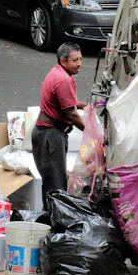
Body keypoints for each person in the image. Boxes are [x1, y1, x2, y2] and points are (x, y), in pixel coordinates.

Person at [31, 42, 87, 209]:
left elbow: (66, 103)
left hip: (48, 133)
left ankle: (49, 221)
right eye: (75, 60)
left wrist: (83, 105)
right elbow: (71, 114)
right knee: (56, 187)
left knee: (53, 184)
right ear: (63, 61)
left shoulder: (58, 73)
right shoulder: (63, 80)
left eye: (80, 59)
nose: (79, 64)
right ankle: (51, 226)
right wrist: (92, 133)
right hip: (50, 135)